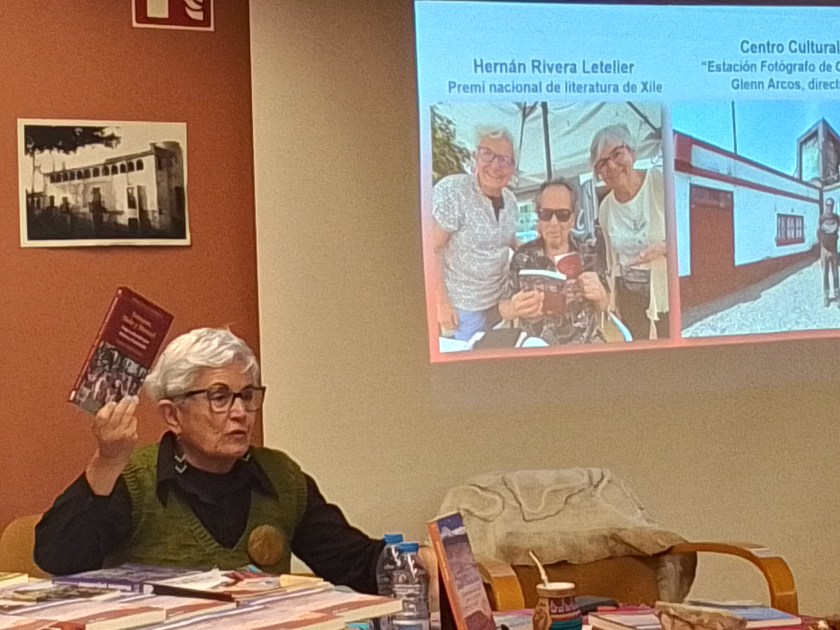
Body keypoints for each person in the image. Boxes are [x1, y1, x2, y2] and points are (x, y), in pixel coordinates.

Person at [35, 328, 385, 593]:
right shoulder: (133, 478)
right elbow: (58, 559)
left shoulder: (281, 477)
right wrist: (107, 461)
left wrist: (406, 562)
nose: (241, 412)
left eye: (247, 396)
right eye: (220, 397)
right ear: (173, 415)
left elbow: (351, 562)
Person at [431, 127, 519, 342]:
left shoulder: (511, 200)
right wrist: (441, 303)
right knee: (468, 359)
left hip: (500, 302)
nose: (495, 165)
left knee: (496, 354)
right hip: (462, 308)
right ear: (475, 156)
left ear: (512, 167)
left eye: (504, 159)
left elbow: (508, 239)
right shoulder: (453, 190)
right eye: (488, 154)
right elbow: (431, 249)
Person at [499, 179, 608, 345]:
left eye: (563, 215)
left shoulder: (589, 253)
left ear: (573, 219)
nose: (554, 223)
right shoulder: (522, 257)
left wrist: (600, 295)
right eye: (546, 214)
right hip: (537, 346)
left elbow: (605, 305)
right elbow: (503, 307)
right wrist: (515, 308)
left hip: (586, 344)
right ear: (538, 218)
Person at [590, 124, 668, 340]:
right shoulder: (605, 207)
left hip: (664, 286)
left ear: (632, 152)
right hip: (628, 293)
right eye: (602, 163)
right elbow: (611, 258)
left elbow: (685, 234)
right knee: (637, 346)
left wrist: (665, 247)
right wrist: (613, 297)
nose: (611, 165)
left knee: (669, 345)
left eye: (617, 154)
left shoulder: (660, 182)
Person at [817, 197, 839, 308]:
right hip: (824, 249)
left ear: (833, 206)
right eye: (827, 205)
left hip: (834, 249)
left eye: (831, 205)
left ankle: (837, 295)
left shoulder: (837, 218)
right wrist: (823, 242)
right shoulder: (822, 218)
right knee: (825, 273)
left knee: (835, 273)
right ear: (825, 205)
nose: (829, 207)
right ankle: (826, 296)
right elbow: (818, 232)